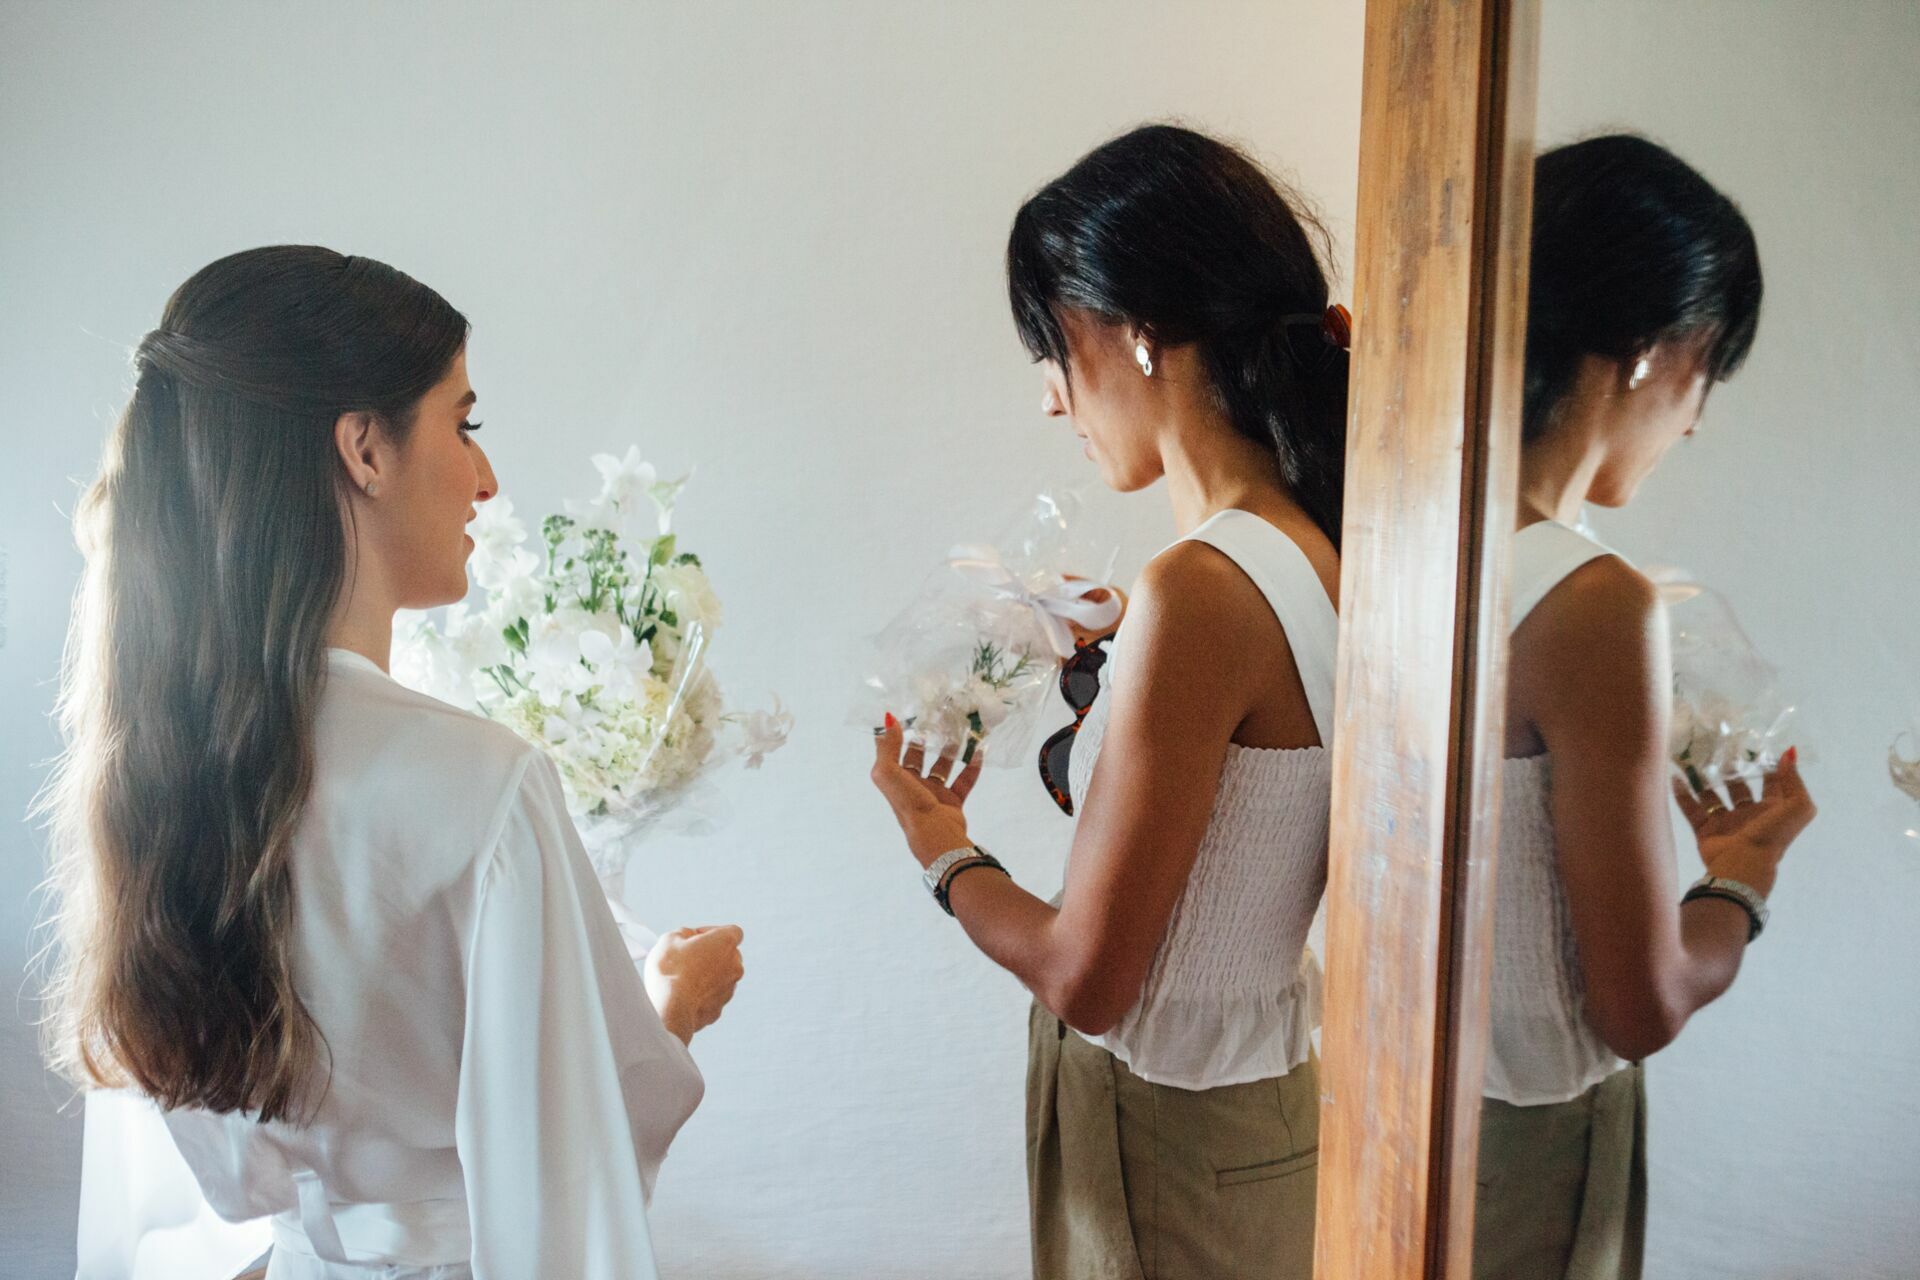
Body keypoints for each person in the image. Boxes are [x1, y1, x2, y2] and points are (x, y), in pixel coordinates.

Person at [38, 246, 744, 1280]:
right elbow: (563, 1180)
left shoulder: (155, 769)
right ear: (364, 447)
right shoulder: (481, 782)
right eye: (465, 423)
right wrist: (670, 1003)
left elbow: (191, 1178)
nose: (487, 477)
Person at [869, 125, 1349, 1280]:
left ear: (1133, 333)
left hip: (1170, 1136)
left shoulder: (1204, 587)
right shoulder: (1308, 550)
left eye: (1053, 347)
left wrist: (941, 846)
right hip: (1252, 1121)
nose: (1051, 398)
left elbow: (1092, 974)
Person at [1473, 135, 1818, 1279]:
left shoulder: (1412, 541)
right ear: (1650, 352)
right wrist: (1739, 878)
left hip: (1387, 1098)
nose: (1698, 415)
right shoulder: (1593, 601)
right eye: (1707, 370)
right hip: (1526, 1147)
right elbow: (1636, 1004)